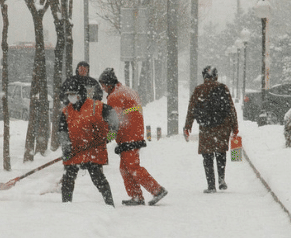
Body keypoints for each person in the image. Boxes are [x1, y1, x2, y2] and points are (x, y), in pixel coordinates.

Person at [98, 68, 168, 206]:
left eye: (103, 85)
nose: (103, 88)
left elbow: (114, 121)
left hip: (128, 135)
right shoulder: (128, 91)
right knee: (125, 168)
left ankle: (157, 190)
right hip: (135, 132)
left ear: (109, 83)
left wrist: (108, 137)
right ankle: (136, 196)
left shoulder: (115, 96)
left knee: (132, 167)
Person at [56, 79, 117, 206]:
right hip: (74, 150)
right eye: (68, 94)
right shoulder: (66, 111)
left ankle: (110, 205)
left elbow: (115, 121)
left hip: (94, 149)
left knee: (98, 179)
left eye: (73, 94)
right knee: (67, 180)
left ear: (81, 94)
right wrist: (66, 147)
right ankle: (65, 206)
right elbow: (62, 131)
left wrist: (110, 135)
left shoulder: (97, 106)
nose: (70, 97)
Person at [184, 66, 239, 193]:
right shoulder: (223, 88)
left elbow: (191, 109)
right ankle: (221, 179)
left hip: (206, 128)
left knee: (207, 156)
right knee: (221, 153)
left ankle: (211, 186)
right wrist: (235, 127)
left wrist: (188, 126)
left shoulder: (199, 90)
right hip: (222, 127)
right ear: (216, 76)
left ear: (204, 76)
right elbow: (231, 109)